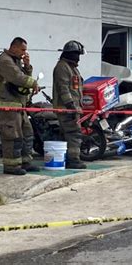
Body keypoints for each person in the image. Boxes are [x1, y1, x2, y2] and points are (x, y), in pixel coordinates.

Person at [0, 37, 40, 175]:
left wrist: (27, 66)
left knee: (27, 133)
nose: (25, 52)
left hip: (18, 104)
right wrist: (33, 83)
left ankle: (25, 162)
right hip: (7, 104)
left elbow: (23, 77)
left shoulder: (16, 61)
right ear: (14, 47)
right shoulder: (5, 61)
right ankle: (11, 166)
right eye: (23, 49)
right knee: (12, 135)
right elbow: (17, 77)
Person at [53, 40, 87, 169]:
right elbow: (64, 89)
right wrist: (71, 106)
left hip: (73, 108)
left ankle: (68, 158)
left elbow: (76, 89)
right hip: (66, 109)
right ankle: (73, 160)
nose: (78, 58)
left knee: (70, 134)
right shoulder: (62, 67)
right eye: (77, 54)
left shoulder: (72, 68)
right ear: (70, 54)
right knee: (74, 133)